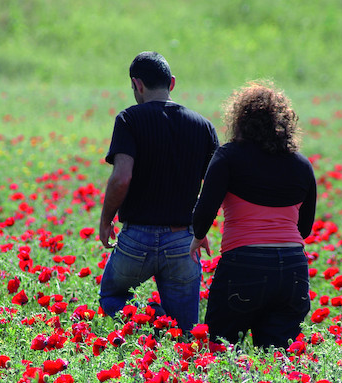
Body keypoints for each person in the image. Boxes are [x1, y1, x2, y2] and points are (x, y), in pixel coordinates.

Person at [189, 80, 317, 349]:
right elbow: (304, 229)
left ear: (239, 120)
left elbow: (204, 211)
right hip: (293, 269)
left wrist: (198, 236)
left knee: (220, 349)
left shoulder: (228, 157)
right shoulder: (302, 165)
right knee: (278, 360)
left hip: (245, 263)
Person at [99, 51, 219, 331]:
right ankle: (166, 329)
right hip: (182, 241)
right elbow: (214, 189)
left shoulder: (129, 119)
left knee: (112, 296)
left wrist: (106, 220)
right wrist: (200, 231)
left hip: (136, 238)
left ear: (137, 85)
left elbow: (121, 178)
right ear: (172, 83)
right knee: (185, 331)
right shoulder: (203, 127)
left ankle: (151, 320)